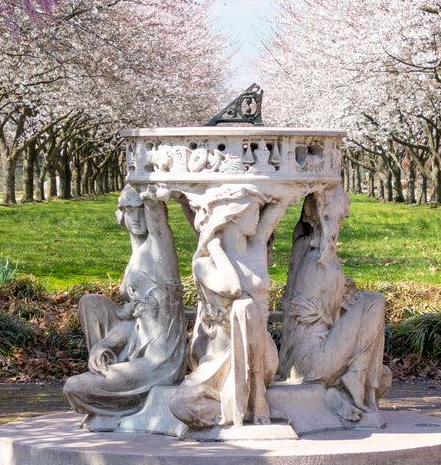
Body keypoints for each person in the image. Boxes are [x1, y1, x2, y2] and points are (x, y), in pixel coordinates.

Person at [170, 185, 288, 429]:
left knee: (244, 307)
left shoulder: (256, 247)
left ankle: (256, 393)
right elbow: (233, 287)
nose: (259, 216)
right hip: (219, 357)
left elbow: (280, 204)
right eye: (254, 210)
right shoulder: (204, 265)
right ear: (233, 215)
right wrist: (214, 246)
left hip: (262, 356)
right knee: (180, 405)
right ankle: (230, 404)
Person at [63, 184, 186, 419]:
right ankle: (103, 364)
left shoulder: (160, 248)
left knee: (75, 387)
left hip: (159, 361)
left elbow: (157, 220)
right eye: (130, 211)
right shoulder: (136, 257)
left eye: (141, 210)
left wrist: (149, 182)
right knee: (91, 303)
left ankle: (116, 403)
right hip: (137, 346)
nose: (137, 218)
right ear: (122, 215)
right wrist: (105, 344)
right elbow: (132, 320)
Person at [278, 185, 389, 421]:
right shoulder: (323, 263)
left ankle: (347, 387)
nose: (345, 217)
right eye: (341, 215)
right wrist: (349, 295)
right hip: (313, 363)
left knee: (383, 374)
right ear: (326, 215)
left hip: (291, 361)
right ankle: (353, 386)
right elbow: (335, 314)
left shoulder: (301, 245)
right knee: (374, 302)